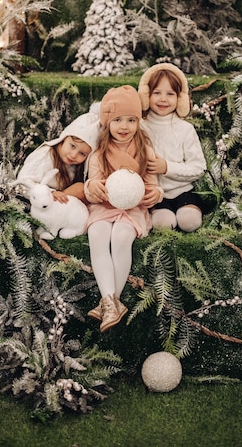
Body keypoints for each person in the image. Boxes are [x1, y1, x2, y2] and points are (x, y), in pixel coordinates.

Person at [84, 85, 163, 333]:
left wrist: (155, 194)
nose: (124, 126)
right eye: (117, 120)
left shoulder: (145, 151)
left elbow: (153, 186)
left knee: (120, 236)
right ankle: (112, 302)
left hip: (133, 209)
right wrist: (92, 187)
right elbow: (91, 184)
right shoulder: (98, 154)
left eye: (131, 120)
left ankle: (109, 302)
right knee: (97, 234)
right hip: (104, 207)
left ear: (138, 122)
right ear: (107, 123)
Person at [138, 62, 207, 232]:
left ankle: (187, 211)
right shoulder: (140, 126)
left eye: (170, 94)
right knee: (163, 223)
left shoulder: (185, 129)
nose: (163, 99)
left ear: (180, 99)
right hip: (155, 195)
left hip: (183, 192)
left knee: (189, 221)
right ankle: (162, 213)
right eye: (157, 93)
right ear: (146, 96)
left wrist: (167, 167)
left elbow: (199, 168)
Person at [16, 112, 100, 203]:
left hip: (57, 202)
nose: (74, 155)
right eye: (72, 146)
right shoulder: (46, 155)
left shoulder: (75, 166)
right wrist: (50, 193)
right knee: (79, 189)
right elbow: (23, 181)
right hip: (37, 200)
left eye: (82, 154)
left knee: (81, 190)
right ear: (64, 138)